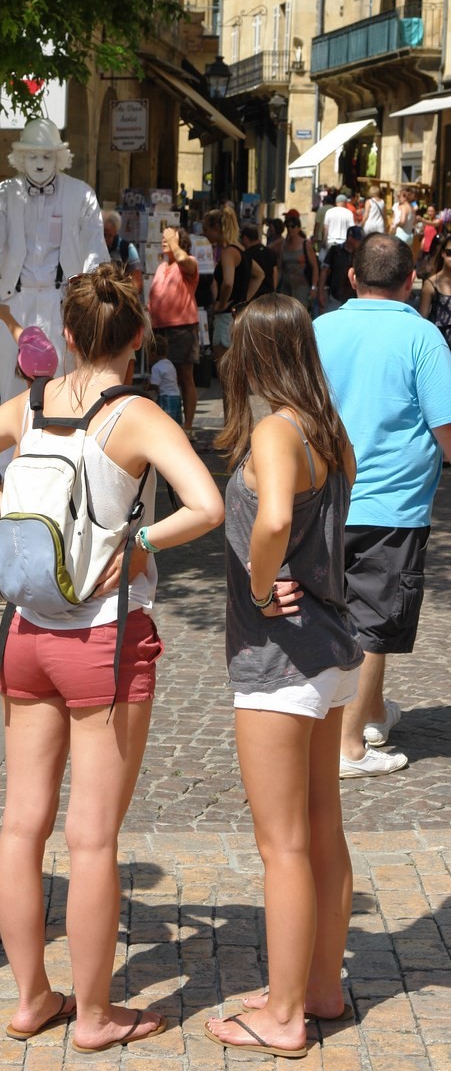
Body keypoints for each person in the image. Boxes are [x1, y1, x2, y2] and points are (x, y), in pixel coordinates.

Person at [0, 263, 224, 1054]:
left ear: (66, 336)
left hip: (26, 635)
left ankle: (32, 997)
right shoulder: (137, 416)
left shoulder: (32, 403)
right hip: (105, 637)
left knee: (20, 825)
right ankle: (97, 1015)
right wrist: (137, 542)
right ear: (138, 339)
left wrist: (14, 510)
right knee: (92, 837)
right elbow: (205, 505)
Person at [204, 293, 361, 1059]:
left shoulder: (274, 430)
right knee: (321, 827)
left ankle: (285, 1013)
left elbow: (271, 521)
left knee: (283, 845)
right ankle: (320, 987)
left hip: (281, 656)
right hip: (329, 649)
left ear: (251, 355)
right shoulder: (326, 429)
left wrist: (263, 588)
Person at [314, 234, 451, 777]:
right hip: (391, 503)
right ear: (411, 280)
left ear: (352, 277)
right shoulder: (423, 337)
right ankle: (349, 746)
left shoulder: (319, 329)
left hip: (323, 497)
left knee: (337, 611)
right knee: (374, 621)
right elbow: (446, 428)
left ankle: (369, 712)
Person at [0, 118, 109, 473]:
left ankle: (60, 466)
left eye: (46, 156)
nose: (38, 163)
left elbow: (95, 246)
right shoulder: (3, 194)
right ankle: (10, 471)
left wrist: (92, 288)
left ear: (58, 157)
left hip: (62, 302)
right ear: (21, 158)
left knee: (64, 384)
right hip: (12, 303)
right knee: (10, 385)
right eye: (32, 156)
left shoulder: (81, 194)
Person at [148, 225, 200, 438]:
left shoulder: (189, 262)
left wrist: (174, 243)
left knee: (184, 376)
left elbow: (183, 260)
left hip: (182, 328)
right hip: (160, 329)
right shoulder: (162, 267)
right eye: (164, 237)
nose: (165, 240)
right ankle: (167, 423)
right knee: (162, 378)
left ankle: (188, 426)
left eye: (169, 237)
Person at [203, 207, 263, 369]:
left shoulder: (228, 253)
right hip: (238, 315)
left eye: (206, 229)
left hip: (226, 317)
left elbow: (228, 282)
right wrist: (244, 299)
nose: (204, 234)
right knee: (235, 371)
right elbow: (259, 275)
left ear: (216, 228)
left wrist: (222, 303)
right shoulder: (240, 250)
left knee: (225, 370)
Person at [317, 226, 362, 313]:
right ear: (350, 238)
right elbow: (324, 271)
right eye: (357, 239)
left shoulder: (361, 254)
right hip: (335, 296)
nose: (360, 242)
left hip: (354, 298)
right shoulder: (335, 251)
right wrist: (320, 292)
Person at [278, 213, 319, 308]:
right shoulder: (283, 245)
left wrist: (314, 287)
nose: (290, 229)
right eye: (287, 226)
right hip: (286, 285)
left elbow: (314, 266)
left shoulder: (306, 244)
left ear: (298, 228)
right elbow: (280, 268)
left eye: (293, 226)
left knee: (300, 310)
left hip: (302, 285)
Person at [419, 233, 451, 348]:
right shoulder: (431, 284)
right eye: (449, 253)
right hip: (440, 343)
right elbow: (422, 319)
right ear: (443, 254)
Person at [102, 210, 144, 297]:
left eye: (108, 235)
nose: (105, 240)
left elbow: (138, 285)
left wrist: (120, 291)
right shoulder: (94, 249)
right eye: (102, 235)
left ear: (115, 232)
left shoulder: (128, 249)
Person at [148, 333, 182, 422]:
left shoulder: (156, 367)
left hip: (165, 397)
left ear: (153, 352)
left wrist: (147, 386)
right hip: (176, 396)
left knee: (165, 420)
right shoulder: (170, 364)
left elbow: (155, 384)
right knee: (175, 422)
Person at [240, 224, 277, 297]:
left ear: (245, 238)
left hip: (253, 294)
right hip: (269, 294)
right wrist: (274, 290)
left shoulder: (246, 255)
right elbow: (275, 273)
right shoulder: (270, 252)